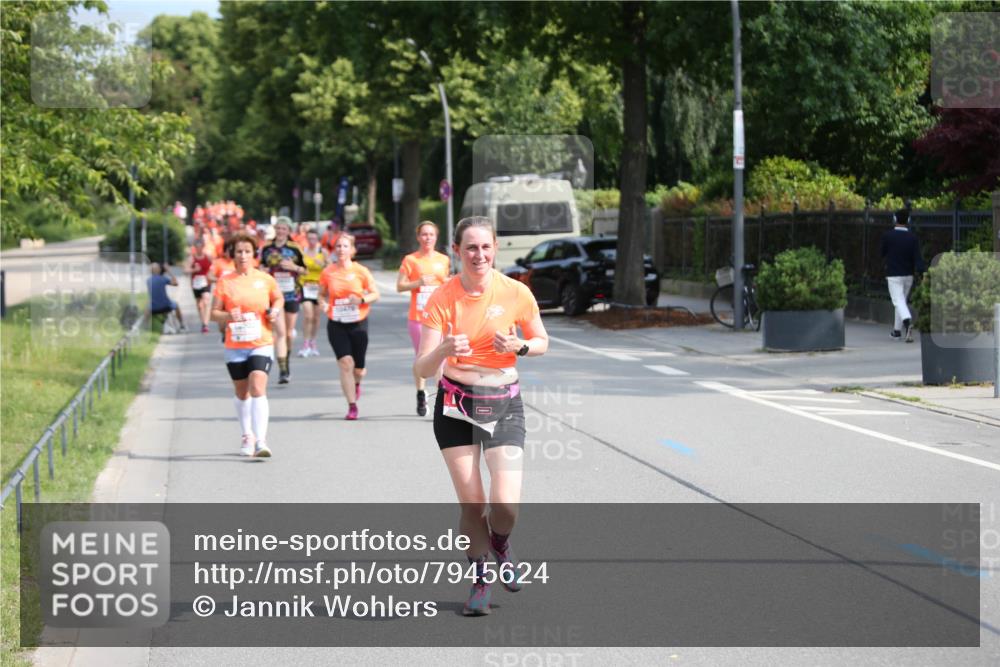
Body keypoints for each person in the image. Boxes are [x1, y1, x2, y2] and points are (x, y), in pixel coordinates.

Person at [414, 216, 548, 616]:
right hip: (455, 404)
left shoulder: (516, 292)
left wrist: (520, 346)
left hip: (504, 401)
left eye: (486, 247)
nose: (480, 255)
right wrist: (442, 351)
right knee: (473, 503)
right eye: (471, 248)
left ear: (495, 249)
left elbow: (542, 340)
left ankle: (501, 544)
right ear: (456, 251)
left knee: (505, 504)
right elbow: (421, 368)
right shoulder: (443, 297)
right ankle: (480, 580)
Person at [210, 232, 283, 458]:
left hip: (261, 341)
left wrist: (275, 311)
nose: (243, 256)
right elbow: (213, 313)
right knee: (242, 393)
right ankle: (247, 434)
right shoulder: (225, 282)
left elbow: (278, 298)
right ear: (233, 255)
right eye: (239, 252)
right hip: (235, 344)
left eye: (247, 252)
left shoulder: (265, 279)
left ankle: (261, 440)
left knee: (257, 386)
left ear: (254, 255)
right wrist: (227, 316)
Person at [318, 233, 380, 420]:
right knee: (346, 363)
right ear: (334, 250)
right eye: (338, 246)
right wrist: (323, 303)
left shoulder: (361, 271)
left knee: (358, 369)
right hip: (336, 323)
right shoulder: (328, 272)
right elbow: (321, 295)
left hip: (358, 323)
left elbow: (375, 294)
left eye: (345, 246)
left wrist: (361, 299)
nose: (341, 250)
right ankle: (352, 405)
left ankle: (357, 383)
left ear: (352, 250)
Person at [397, 221, 451, 415]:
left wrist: (446, 282)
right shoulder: (410, 260)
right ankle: (421, 392)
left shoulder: (443, 260)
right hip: (418, 317)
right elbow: (400, 286)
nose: (428, 238)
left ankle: (440, 399)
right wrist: (418, 282)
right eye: (424, 234)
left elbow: (446, 284)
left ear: (436, 237)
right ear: (418, 237)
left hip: (439, 317)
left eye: (431, 234)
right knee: (422, 356)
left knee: (440, 357)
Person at [260, 217, 307, 383]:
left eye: (284, 229)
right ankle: (283, 370)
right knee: (280, 332)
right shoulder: (266, 248)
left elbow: (306, 271)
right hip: (274, 296)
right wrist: (263, 270)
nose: (280, 232)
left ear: (289, 231)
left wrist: (294, 268)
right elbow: (259, 268)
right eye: (278, 228)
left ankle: (286, 360)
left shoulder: (295, 249)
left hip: (292, 294)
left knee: (288, 333)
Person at [880, 208, 925, 342]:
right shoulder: (913, 237)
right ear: (908, 220)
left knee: (898, 301)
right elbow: (918, 257)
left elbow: (882, 253)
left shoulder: (888, 236)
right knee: (901, 302)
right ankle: (896, 331)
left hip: (894, 274)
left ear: (894, 219)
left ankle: (907, 322)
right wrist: (922, 272)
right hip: (908, 275)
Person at [298, 227, 328, 357]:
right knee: (308, 316)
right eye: (309, 238)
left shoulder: (323, 252)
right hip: (305, 286)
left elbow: (331, 268)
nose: (312, 241)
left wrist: (322, 264)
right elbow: (297, 267)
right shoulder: (302, 251)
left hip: (319, 288)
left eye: (314, 239)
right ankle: (305, 343)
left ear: (318, 239)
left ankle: (313, 342)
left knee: (316, 317)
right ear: (306, 239)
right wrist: (301, 271)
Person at [147, 263, 186, 333]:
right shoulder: (163, 278)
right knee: (176, 305)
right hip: (166, 306)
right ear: (159, 270)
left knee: (147, 308)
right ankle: (182, 325)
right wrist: (169, 271)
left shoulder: (148, 280)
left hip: (153, 308)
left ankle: (146, 329)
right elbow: (176, 283)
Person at [187, 239, 214, 333]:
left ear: (203, 247)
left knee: (206, 301)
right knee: (199, 305)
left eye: (200, 247)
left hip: (206, 281)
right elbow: (186, 270)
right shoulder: (192, 258)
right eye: (197, 247)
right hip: (196, 283)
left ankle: (206, 324)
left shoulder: (208, 256)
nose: (199, 249)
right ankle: (203, 322)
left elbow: (213, 267)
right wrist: (194, 270)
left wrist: (211, 273)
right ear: (195, 248)